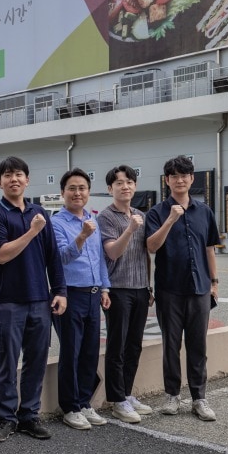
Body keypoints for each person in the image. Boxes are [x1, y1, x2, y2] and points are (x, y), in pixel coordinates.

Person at [0, 156, 67, 443]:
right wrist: (32, 231)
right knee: (7, 361)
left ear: (27, 180)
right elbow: (2, 255)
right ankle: (7, 418)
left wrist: (60, 291)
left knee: (36, 360)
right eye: (7, 175)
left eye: (18, 174)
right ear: (0, 182)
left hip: (40, 299)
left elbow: (53, 257)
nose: (13, 179)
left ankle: (29, 415)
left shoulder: (39, 212)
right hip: (7, 301)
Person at [145, 155, 220, 422]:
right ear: (167, 181)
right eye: (174, 176)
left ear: (191, 179)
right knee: (171, 345)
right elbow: (151, 246)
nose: (179, 180)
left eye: (184, 175)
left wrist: (214, 282)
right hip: (169, 290)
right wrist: (170, 221)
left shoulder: (204, 212)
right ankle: (172, 395)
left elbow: (209, 249)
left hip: (200, 289)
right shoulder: (157, 212)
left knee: (198, 345)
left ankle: (199, 398)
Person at [50, 168, 111, 431]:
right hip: (69, 294)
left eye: (82, 188)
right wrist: (82, 236)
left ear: (88, 192)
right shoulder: (56, 222)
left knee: (89, 352)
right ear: (63, 193)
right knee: (71, 352)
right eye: (72, 188)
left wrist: (105, 288)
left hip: (93, 294)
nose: (77, 193)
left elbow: (99, 259)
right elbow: (60, 258)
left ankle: (85, 402)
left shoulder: (92, 219)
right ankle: (70, 407)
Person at [97, 165, 154, 424]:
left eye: (129, 182)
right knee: (117, 346)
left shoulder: (141, 215)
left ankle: (127, 394)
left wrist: (148, 286)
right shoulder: (106, 217)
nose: (125, 186)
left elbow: (146, 254)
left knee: (134, 345)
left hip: (140, 288)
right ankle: (117, 399)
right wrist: (129, 229)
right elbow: (112, 252)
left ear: (135, 186)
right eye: (119, 183)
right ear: (110, 188)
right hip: (118, 289)